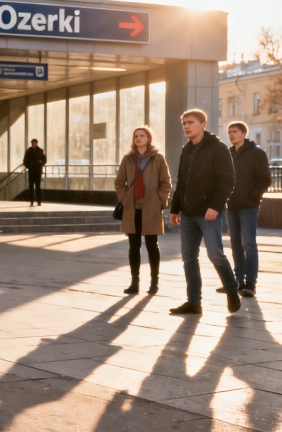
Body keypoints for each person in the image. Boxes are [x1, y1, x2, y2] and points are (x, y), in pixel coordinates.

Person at [168, 109, 239, 316]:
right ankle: (193, 303)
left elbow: (227, 180)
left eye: (190, 122)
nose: (186, 126)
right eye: (183, 123)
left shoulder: (218, 148)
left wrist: (216, 206)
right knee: (189, 258)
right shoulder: (186, 150)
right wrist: (175, 208)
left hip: (209, 213)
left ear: (203, 124)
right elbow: (181, 182)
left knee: (215, 253)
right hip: (188, 214)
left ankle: (232, 288)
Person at [114, 127, 172, 295]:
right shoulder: (128, 159)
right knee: (134, 246)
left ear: (149, 138)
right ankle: (135, 282)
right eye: (136, 136)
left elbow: (166, 182)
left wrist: (161, 201)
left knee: (152, 245)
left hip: (151, 207)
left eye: (142, 135)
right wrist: (124, 197)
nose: (138, 138)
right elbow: (119, 182)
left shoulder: (158, 158)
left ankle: (154, 282)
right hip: (132, 208)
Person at [224, 121, 271, 297]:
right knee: (235, 244)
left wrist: (253, 196)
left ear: (244, 133)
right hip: (232, 205)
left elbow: (265, 179)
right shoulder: (227, 154)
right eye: (229, 132)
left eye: (234, 132)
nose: (231, 135)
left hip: (249, 206)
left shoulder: (257, 153)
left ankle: (250, 283)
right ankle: (239, 282)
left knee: (248, 244)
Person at [22, 138, 46, 206]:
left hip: (37, 171)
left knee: (38, 186)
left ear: (36, 143)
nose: (33, 144)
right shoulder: (28, 151)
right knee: (31, 186)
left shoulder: (40, 151)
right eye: (32, 143)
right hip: (31, 171)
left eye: (34, 143)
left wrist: (41, 163)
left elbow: (44, 159)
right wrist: (29, 166)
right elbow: (25, 161)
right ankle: (32, 200)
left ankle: (39, 200)